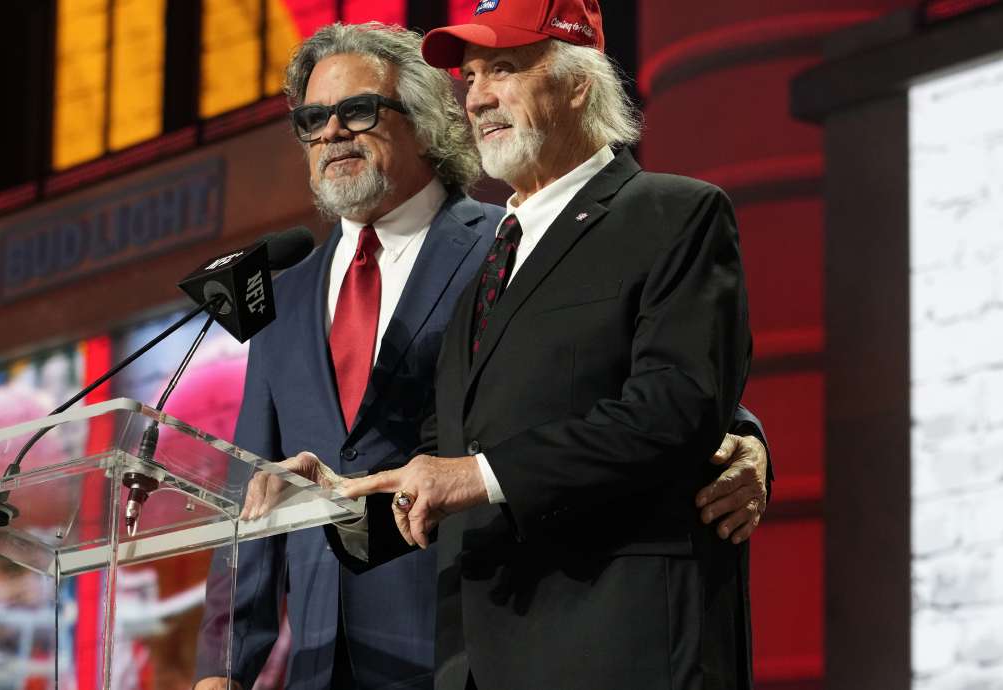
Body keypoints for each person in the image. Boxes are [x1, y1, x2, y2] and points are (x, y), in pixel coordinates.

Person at [199, 20, 768, 690]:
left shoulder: (502, 244)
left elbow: (665, 390)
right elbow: (263, 488)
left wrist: (745, 439)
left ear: (421, 120)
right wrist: (228, 662)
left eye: (356, 111)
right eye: (311, 119)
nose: (330, 134)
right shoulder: (288, 292)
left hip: (498, 632)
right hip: (341, 660)